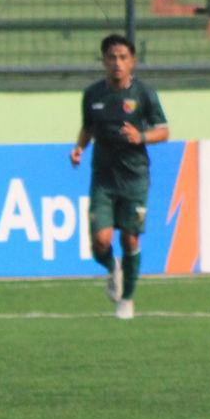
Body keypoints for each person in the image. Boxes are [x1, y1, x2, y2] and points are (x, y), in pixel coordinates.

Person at [70, 33, 169, 320]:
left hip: (135, 178)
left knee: (130, 239)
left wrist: (141, 137)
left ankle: (126, 299)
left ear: (132, 62)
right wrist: (79, 148)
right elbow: (88, 128)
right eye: (112, 57)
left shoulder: (144, 94)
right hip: (103, 178)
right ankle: (112, 267)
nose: (117, 62)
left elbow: (164, 131)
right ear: (103, 60)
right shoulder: (92, 95)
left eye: (123, 57)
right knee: (100, 241)